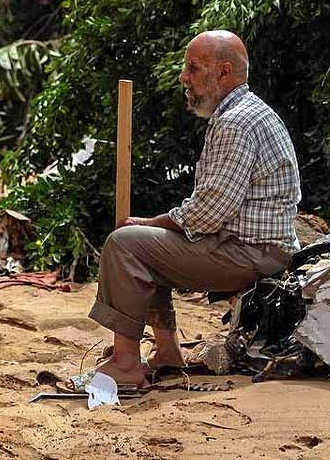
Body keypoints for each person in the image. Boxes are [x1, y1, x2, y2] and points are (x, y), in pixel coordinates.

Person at [90, 30, 301, 388]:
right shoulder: (247, 112)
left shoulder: (235, 123)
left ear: (223, 72)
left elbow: (208, 213)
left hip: (250, 253)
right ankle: (167, 352)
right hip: (252, 247)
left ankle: (126, 364)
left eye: (193, 68)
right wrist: (158, 227)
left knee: (125, 244)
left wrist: (155, 222)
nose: (183, 77)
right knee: (146, 242)